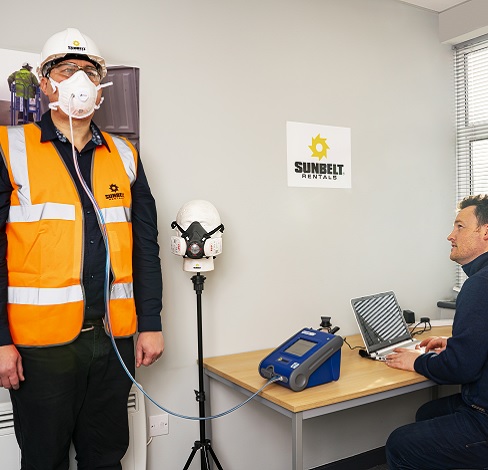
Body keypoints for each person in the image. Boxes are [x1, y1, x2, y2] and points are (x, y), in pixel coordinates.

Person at [0, 28, 165, 469]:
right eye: (67, 69)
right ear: (45, 82)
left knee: (106, 455)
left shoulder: (124, 155)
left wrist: (150, 322)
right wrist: (0, 342)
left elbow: (145, 247)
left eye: (90, 71)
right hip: (41, 347)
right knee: (43, 459)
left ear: (102, 86)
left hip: (113, 340)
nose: (80, 79)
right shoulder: (9, 149)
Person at [385, 194, 488, 470]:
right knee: (427, 412)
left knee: (399, 444)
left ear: (485, 232)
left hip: (483, 421)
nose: (450, 235)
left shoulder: (479, 285)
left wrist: (415, 361)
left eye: (460, 227)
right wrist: (453, 343)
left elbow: (461, 369)